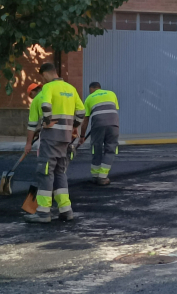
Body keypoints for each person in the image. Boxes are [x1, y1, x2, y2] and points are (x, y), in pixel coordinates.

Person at [23, 63, 85, 224]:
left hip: (50, 137)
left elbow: (45, 106)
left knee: (45, 173)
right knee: (59, 173)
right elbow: (81, 112)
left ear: (45, 74)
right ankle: (66, 210)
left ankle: (43, 212)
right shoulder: (70, 89)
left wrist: (47, 122)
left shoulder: (48, 89)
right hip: (65, 138)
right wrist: (74, 127)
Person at [80, 82, 120, 186]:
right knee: (110, 149)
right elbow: (113, 111)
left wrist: (82, 136)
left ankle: (95, 177)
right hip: (113, 125)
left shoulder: (89, 98)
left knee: (96, 149)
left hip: (98, 126)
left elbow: (85, 120)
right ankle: (102, 177)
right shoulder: (112, 94)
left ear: (92, 89)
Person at [21, 82, 43, 158]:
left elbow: (32, 125)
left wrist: (28, 144)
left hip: (48, 135)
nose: (32, 98)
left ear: (33, 92)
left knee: (44, 158)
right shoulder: (49, 94)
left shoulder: (36, 100)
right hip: (63, 132)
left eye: (31, 95)